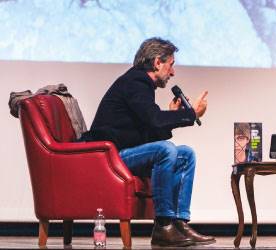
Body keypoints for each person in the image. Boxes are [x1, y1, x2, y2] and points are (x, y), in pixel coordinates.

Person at [81, 37, 215, 247]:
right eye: (171, 65)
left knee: (185, 154)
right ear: (157, 63)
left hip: (124, 151)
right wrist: (190, 114)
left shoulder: (141, 84)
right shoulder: (135, 82)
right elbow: (154, 121)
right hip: (111, 157)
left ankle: (179, 224)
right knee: (166, 149)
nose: (172, 72)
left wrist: (171, 117)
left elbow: (147, 131)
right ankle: (164, 225)